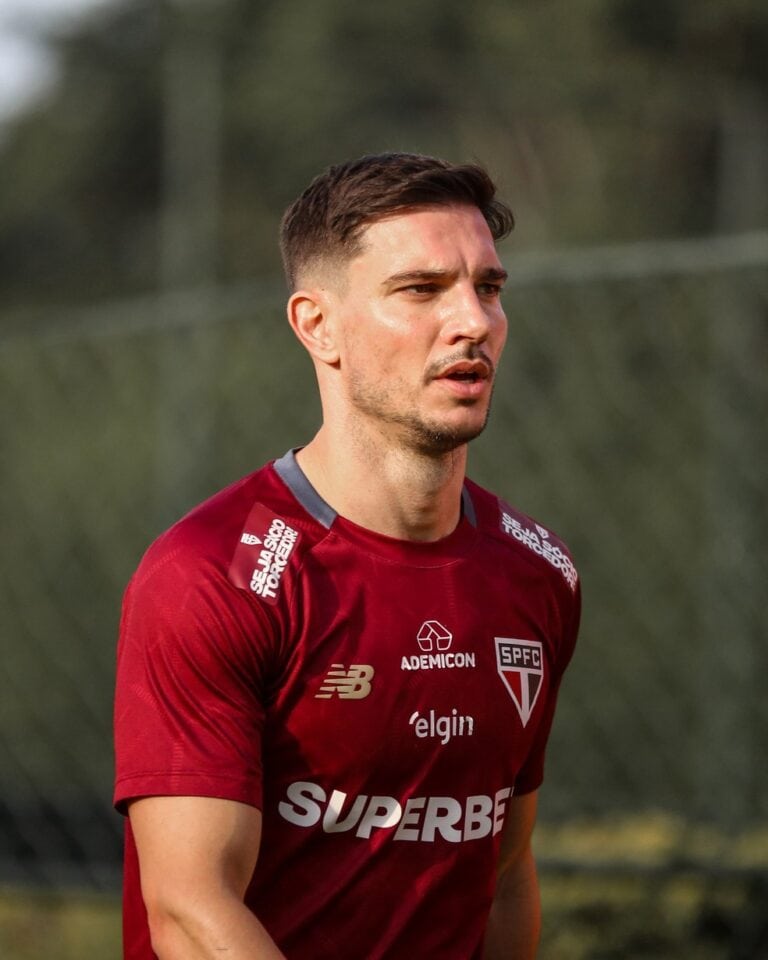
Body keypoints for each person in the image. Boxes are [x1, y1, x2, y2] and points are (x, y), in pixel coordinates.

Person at [113, 152, 580, 960]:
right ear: (316, 325)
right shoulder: (210, 575)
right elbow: (190, 910)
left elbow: (503, 874)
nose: (473, 320)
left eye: (489, 288)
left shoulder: (539, 573)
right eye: (421, 290)